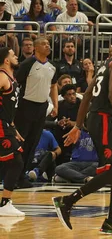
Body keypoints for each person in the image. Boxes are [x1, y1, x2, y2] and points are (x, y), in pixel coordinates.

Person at [53, 34, 112, 234]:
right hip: (104, 119)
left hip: (98, 118)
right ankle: (67, 201)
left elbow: (87, 95)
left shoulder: (103, 65)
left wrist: (78, 126)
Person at [14, 37, 59, 188]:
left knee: (33, 143)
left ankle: (22, 176)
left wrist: (55, 105)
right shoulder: (28, 64)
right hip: (25, 106)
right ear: (36, 48)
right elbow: (15, 83)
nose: (48, 46)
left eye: (48, 44)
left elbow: (53, 86)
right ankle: (12, 176)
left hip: (42, 107)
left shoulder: (52, 67)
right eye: (44, 44)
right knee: (20, 142)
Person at [0, 48, 26, 217]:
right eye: (13, 55)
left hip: (6, 125)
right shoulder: (2, 76)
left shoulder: (11, 78)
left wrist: (13, 127)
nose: (17, 56)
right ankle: (5, 203)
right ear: (7, 60)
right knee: (16, 161)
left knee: (12, 162)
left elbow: (8, 108)